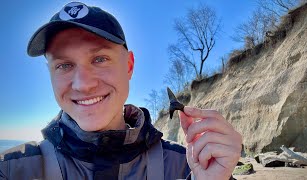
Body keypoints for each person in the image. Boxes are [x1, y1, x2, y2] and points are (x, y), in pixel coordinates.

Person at [0, 2, 242, 180]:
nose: (83, 84)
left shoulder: (188, 166)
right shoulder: (11, 169)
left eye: (100, 59)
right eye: (64, 65)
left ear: (129, 66)